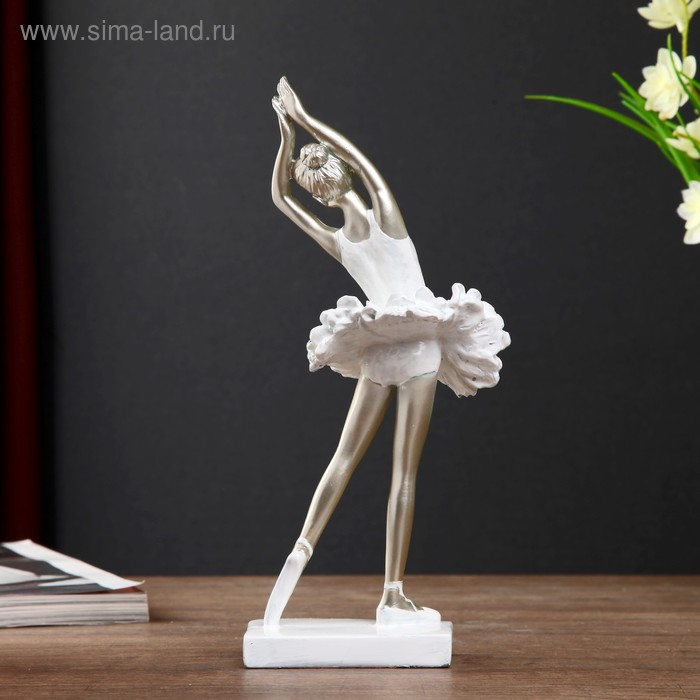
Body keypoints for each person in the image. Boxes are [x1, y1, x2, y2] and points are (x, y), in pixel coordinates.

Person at [265, 77, 510, 626]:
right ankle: (392, 593)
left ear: (319, 193)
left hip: (377, 349)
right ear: (347, 175)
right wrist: (304, 118)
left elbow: (280, 197)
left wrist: (285, 137)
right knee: (404, 474)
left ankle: (301, 548)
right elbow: (357, 156)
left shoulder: (336, 239)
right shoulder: (387, 218)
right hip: (418, 346)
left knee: (343, 458)